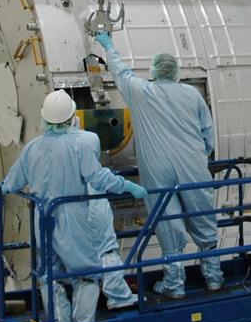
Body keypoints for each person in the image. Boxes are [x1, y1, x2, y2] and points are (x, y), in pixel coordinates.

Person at [1, 90, 147, 322]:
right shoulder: (84, 142)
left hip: (42, 217)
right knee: (86, 273)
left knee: (49, 274)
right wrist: (127, 185)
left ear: (44, 118)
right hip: (72, 217)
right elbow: (97, 178)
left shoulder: (32, 148)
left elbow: (11, 183)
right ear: (72, 117)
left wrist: (4, 188)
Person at [94, 32, 224, 299]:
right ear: (175, 72)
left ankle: (174, 284)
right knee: (203, 216)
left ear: (153, 71)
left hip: (157, 170)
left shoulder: (142, 92)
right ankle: (213, 277)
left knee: (167, 222)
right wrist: (199, 155)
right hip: (193, 165)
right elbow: (208, 135)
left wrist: (109, 46)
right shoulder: (192, 94)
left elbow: (120, 72)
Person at [68, 121, 137, 311]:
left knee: (82, 259)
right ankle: (118, 296)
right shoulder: (88, 141)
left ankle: (75, 315)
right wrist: (128, 186)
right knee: (106, 249)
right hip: (94, 205)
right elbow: (100, 177)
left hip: (73, 212)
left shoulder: (54, 147)